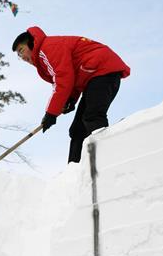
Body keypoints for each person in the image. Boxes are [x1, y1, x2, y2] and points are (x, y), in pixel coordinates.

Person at [12, 26, 130, 163]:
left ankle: (106, 161)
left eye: (21, 50)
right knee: (77, 129)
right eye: (19, 55)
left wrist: (51, 113)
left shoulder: (47, 48)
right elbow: (72, 78)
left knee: (92, 117)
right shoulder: (44, 57)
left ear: (32, 43)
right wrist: (71, 99)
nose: (22, 57)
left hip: (103, 70)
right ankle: (75, 169)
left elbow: (63, 79)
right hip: (93, 76)